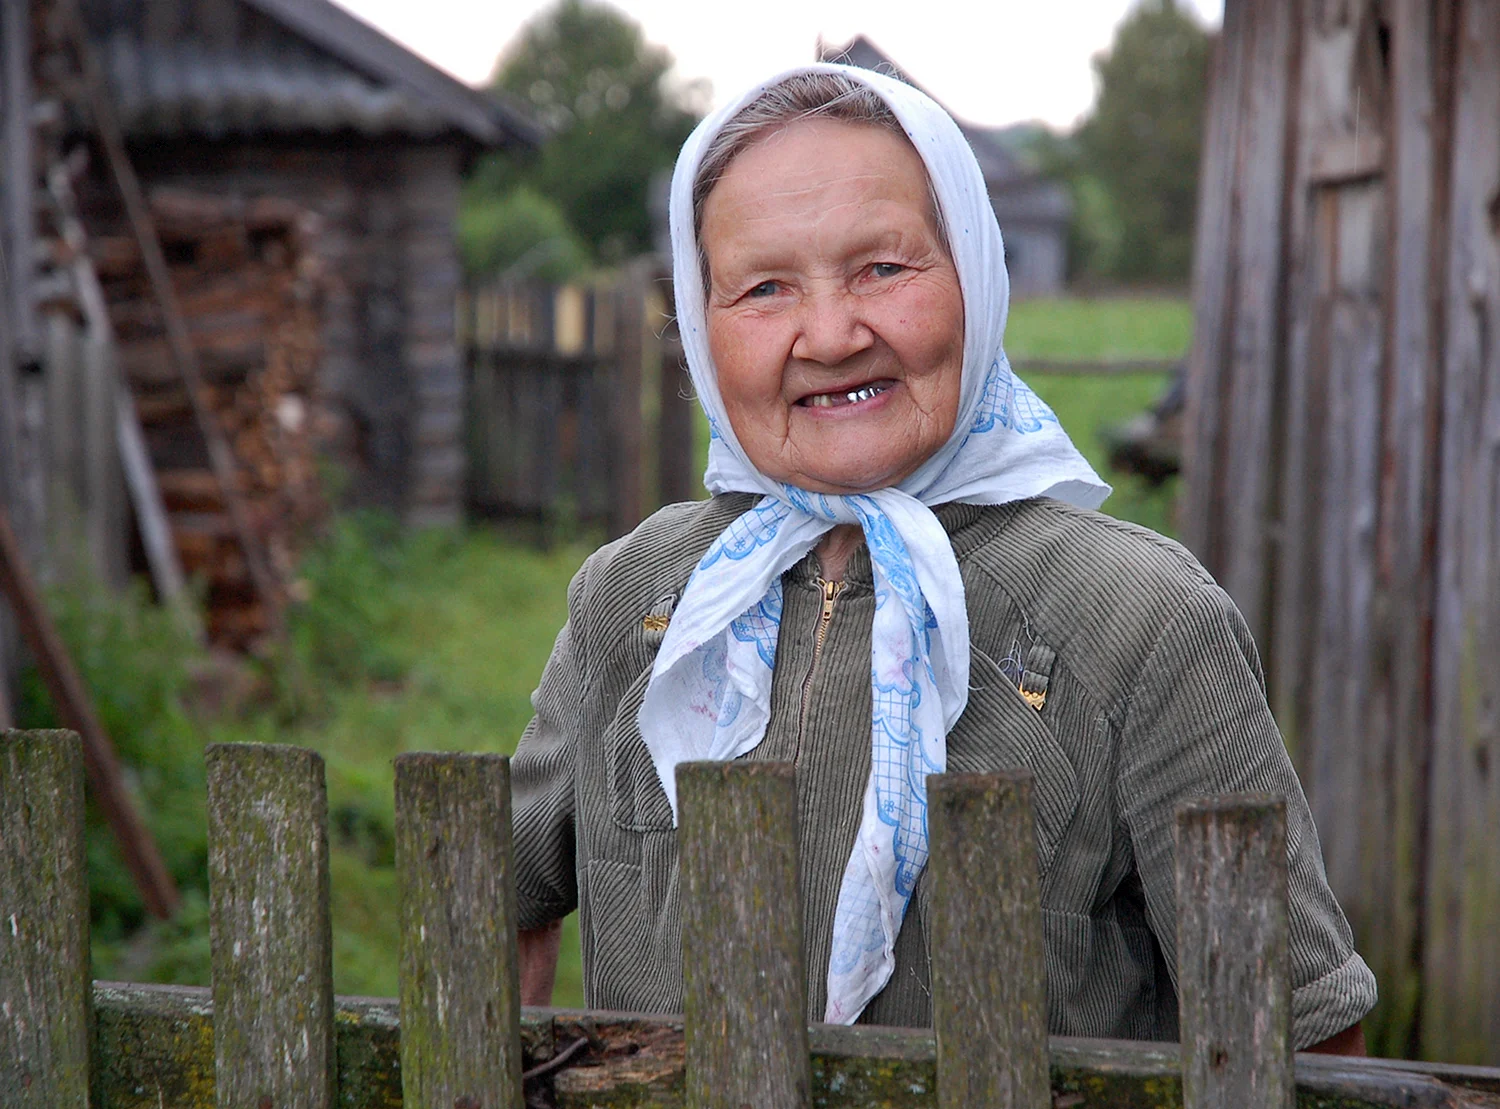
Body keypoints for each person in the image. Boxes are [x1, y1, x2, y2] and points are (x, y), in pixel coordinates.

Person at [509, 64, 1376, 1052]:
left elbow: (1300, 1038)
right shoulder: (632, 592)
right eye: (764, 287)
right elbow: (497, 899)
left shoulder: (1141, 617)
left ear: (976, 274)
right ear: (703, 327)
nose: (830, 334)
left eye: (883, 267)